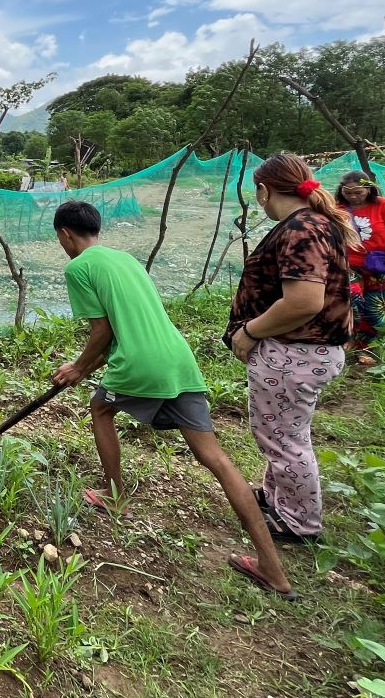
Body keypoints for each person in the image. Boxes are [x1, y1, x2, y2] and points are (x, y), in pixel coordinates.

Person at [49, 200, 295, 598]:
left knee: (100, 408)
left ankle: (113, 495)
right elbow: (125, 325)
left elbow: (103, 331)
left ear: (65, 234)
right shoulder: (123, 259)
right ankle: (273, 569)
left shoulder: (79, 267)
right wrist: (84, 368)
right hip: (178, 360)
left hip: (141, 364)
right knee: (215, 459)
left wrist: (78, 368)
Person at [227, 153, 354, 549]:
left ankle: (299, 523)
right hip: (302, 353)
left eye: (257, 194)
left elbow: (303, 301)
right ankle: (277, 498)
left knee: (285, 440)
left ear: (264, 191)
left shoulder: (301, 229)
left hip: (295, 353)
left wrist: (249, 332)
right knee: (281, 432)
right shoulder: (316, 223)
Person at [335, 170, 385, 367]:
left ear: (369, 188)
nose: (353, 196)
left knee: (374, 311)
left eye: (358, 192)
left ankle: (364, 348)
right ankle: (346, 342)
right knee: (353, 299)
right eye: (348, 192)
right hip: (349, 265)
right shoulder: (338, 209)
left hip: (379, 266)